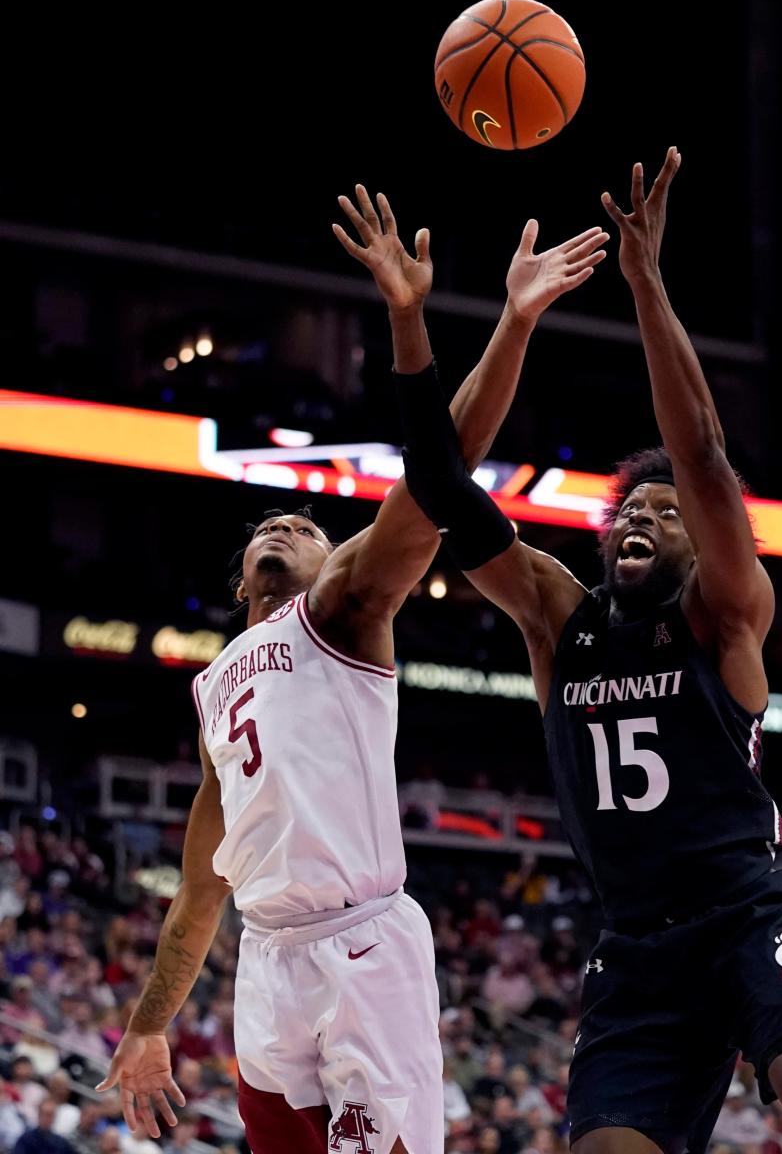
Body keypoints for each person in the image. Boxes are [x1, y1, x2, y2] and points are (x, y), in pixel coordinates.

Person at [395, 148, 782, 1154]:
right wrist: (463, 320)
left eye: (665, 513)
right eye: (630, 507)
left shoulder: (724, 614)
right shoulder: (559, 619)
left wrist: (645, 284)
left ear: (696, 543)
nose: (644, 516)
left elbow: (708, 460)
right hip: (635, 954)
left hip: (745, 917)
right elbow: (439, 486)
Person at [96, 185, 608, 1154]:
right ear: (239, 576)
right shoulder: (215, 690)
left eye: (306, 523)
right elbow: (202, 890)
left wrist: (493, 320)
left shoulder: (340, 609)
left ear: (334, 559)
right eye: (267, 525)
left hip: (363, 947)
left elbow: (440, 475)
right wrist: (151, 1024)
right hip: (268, 959)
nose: (284, 524)